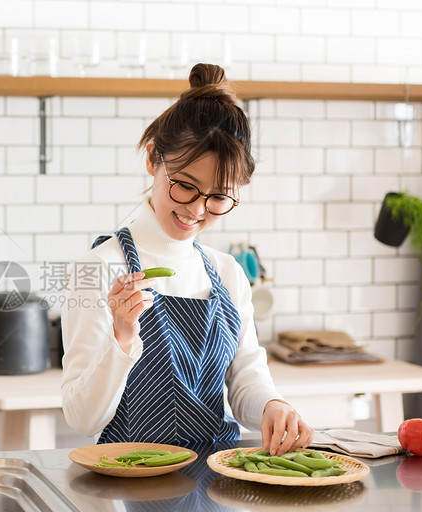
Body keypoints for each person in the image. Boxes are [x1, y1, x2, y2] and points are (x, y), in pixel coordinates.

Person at [60, 63, 313, 455]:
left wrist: (271, 404)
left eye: (218, 196)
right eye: (184, 186)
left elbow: (245, 377)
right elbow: (82, 418)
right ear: (152, 159)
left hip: (217, 488)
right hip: (127, 495)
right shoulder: (101, 269)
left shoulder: (227, 273)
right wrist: (122, 337)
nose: (197, 209)